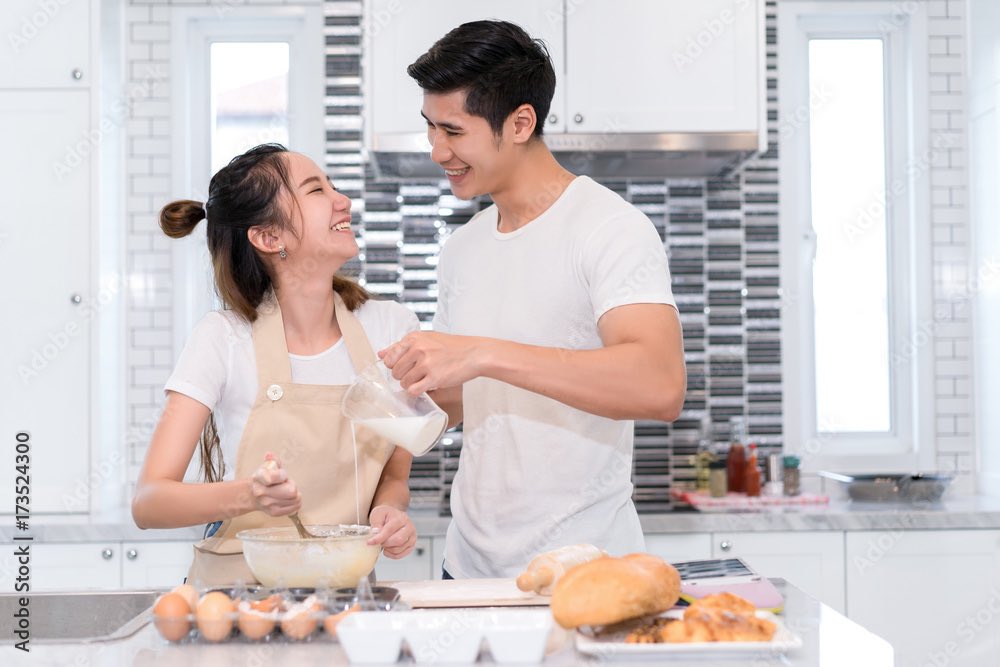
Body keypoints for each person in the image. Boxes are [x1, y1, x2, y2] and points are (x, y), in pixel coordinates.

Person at [379, 21, 687, 579]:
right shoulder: (464, 247)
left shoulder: (609, 227)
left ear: (520, 123)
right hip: (466, 568)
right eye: (430, 127)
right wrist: (385, 400)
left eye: (453, 130)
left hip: (583, 569)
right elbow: (456, 399)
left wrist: (482, 353)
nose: (437, 150)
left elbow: (659, 385)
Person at [132, 143, 418, 586]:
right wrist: (250, 495)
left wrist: (391, 509)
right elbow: (149, 503)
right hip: (234, 600)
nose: (342, 200)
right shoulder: (223, 338)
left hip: (344, 599)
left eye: (333, 186)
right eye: (317, 190)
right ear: (269, 238)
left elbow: (395, 472)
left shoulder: (391, 327)